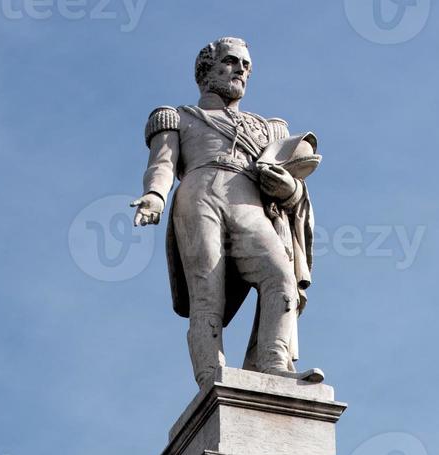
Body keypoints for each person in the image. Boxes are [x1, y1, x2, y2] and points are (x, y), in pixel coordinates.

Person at [131, 36, 323, 389]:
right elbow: (162, 164)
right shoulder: (178, 117)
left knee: (280, 276)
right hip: (198, 194)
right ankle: (210, 377)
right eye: (232, 62)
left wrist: (290, 188)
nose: (241, 71)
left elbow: (290, 184)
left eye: (247, 66)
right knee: (207, 294)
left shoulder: (269, 128)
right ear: (207, 69)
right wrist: (155, 196)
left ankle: (273, 362)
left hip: (247, 197)